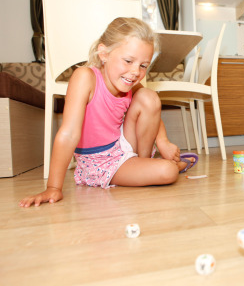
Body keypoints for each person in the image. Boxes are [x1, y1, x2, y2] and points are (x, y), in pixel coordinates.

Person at [19, 17, 198, 207]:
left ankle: (144, 165)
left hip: (123, 147)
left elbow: (151, 109)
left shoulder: (129, 85)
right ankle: (156, 169)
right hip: (98, 161)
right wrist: (53, 187)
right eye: (128, 61)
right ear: (104, 53)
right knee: (168, 172)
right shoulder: (85, 78)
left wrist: (163, 141)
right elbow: (69, 133)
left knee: (149, 96)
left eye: (143, 65)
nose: (135, 72)